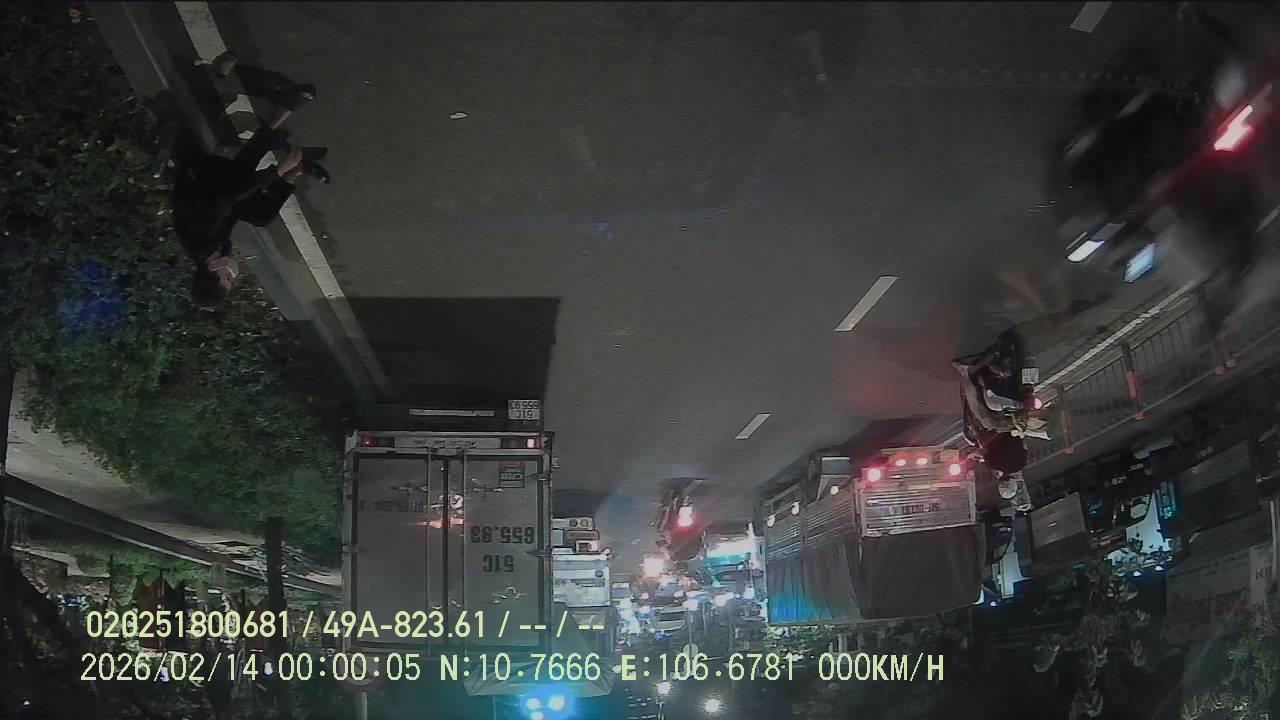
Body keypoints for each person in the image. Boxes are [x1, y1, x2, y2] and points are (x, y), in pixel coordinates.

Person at [172, 110, 329, 308]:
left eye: (227, 278)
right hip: (218, 191)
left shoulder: (198, 243)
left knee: (240, 182)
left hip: (199, 175)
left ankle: (282, 125)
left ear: (213, 269)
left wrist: (276, 172)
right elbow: (230, 206)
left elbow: (227, 200)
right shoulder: (219, 252)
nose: (233, 275)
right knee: (261, 215)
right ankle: (297, 168)